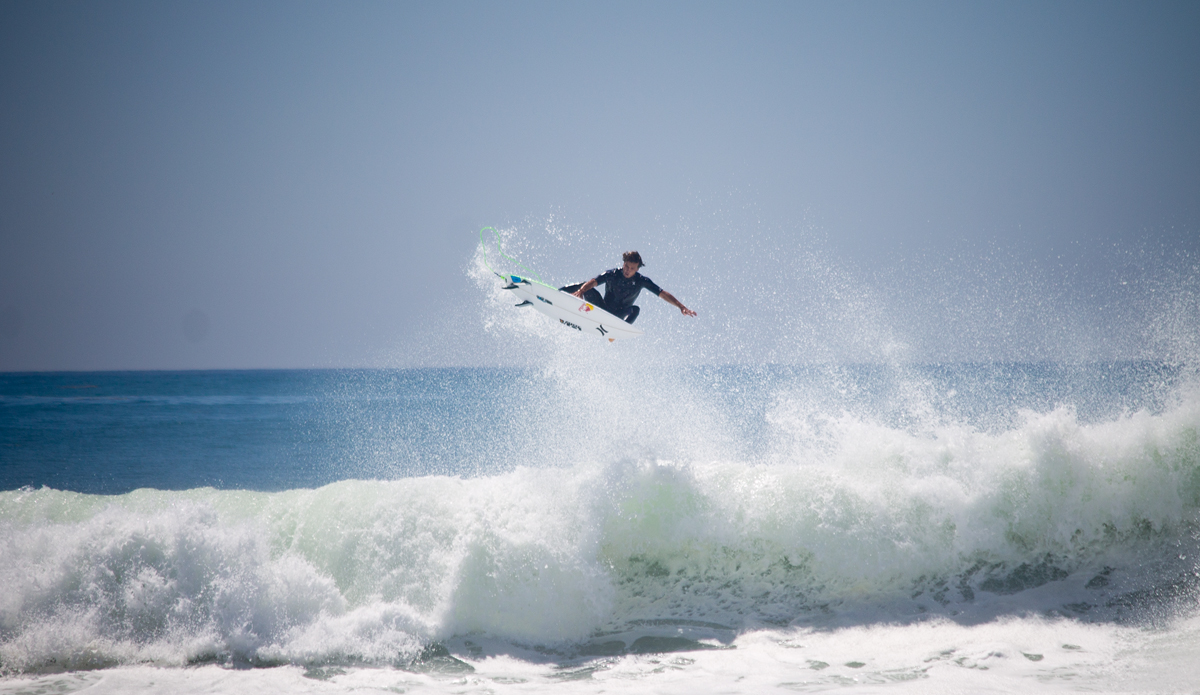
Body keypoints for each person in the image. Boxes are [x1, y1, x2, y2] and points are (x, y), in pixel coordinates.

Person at [560, 251, 697, 324]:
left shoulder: (641, 281)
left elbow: (662, 294)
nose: (627, 270)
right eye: (626, 266)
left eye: (632, 268)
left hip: (617, 316)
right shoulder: (612, 274)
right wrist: (580, 291)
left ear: (637, 269)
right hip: (602, 307)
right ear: (623, 263)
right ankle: (555, 295)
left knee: (635, 309)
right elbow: (594, 281)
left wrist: (681, 306)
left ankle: (618, 330)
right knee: (584, 285)